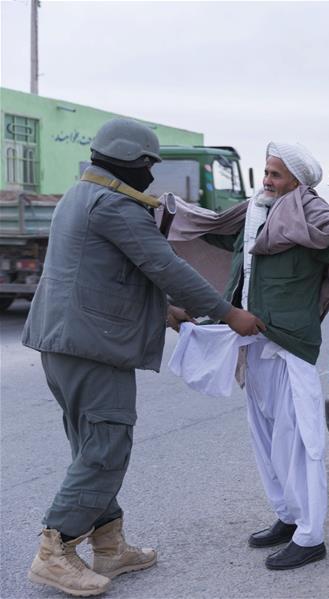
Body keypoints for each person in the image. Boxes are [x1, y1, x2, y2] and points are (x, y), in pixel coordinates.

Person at [20, 119, 263, 597]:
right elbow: (164, 266)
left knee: (94, 445)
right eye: (150, 166)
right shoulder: (116, 206)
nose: (152, 176)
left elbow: (106, 274)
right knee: (107, 446)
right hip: (93, 346)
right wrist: (227, 312)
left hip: (66, 341)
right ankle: (55, 550)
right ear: (136, 162)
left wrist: (168, 313)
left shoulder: (79, 195)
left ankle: (109, 545)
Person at [195, 142, 329, 571]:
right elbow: (218, 233)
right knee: (265, 437)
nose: (267, 181)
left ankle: (311, 535)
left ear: (296, 181)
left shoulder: (310, 211)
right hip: (253, 339)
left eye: (276, 175)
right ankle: (287, 515)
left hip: (289, 342)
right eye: (266, 172)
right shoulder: (254, 211)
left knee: (300, 442)